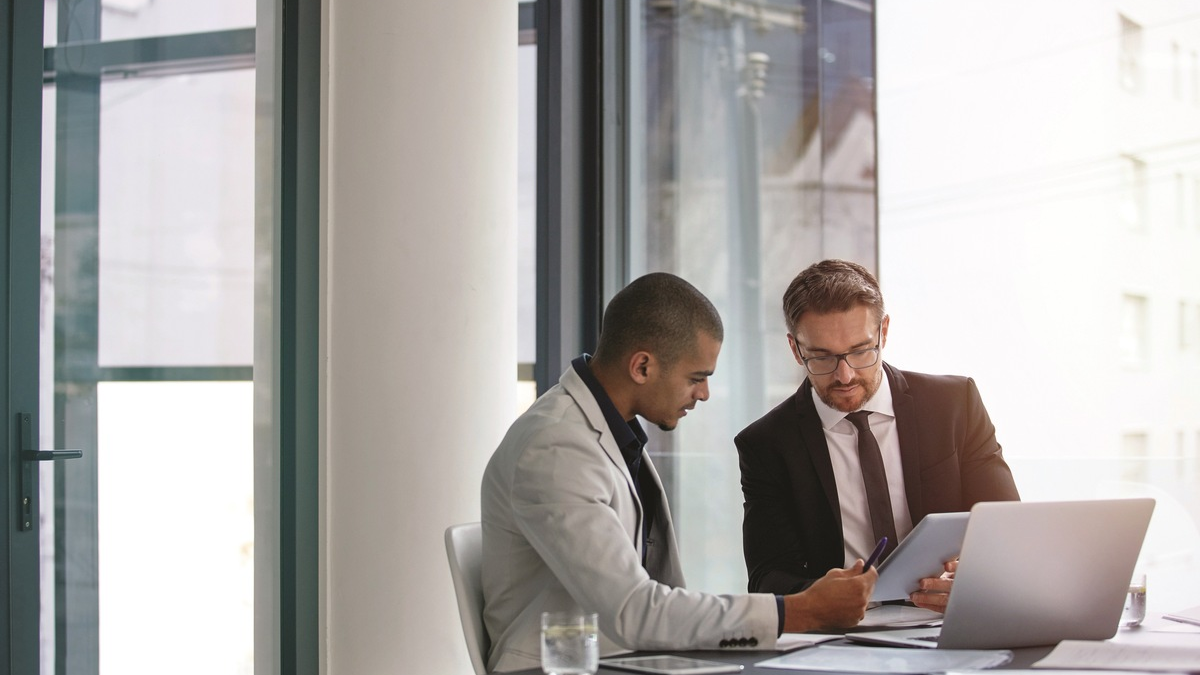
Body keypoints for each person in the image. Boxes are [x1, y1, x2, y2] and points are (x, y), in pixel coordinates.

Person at [481, 272, 876, 673]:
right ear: (642, 366)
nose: (703, 394)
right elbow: (634, 611)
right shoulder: (556, 447)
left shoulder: (609, 433)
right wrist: (798, 611)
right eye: (696, 378)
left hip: (626, 659)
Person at [736, 259, 1019, 611]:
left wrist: (975, 579)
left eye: (860, 351)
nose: (845, 375)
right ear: (796, 349)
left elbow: (1009, 532)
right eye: (822, 358)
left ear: (884, 332)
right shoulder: (766, 445)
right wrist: (821, 595)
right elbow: (767, 577)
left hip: (952, 618)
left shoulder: (954, 405)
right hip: (843, 635)